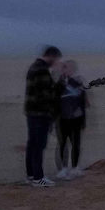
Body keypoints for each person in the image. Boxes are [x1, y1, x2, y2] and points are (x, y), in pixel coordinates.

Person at [25, 46, 63, 188]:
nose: (55, 62)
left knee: (32, 144)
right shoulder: (42, 70)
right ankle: (38, 177)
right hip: (40, 114)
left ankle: (31, 175)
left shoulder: (34, 67)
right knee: (38, 146)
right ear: (51, 56)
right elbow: (49, 95)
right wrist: (57, 77)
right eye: (56, 59)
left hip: (31, 112)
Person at [56, 60, 89, 180]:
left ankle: (75, 168)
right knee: (63, 144)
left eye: (70, 68)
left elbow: (84, 101)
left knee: (76, 144)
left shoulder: (78, 82)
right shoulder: (59, 84)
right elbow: (54, 101)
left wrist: (83, 120)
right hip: (63, 119)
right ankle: (63, 169)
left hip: (77, 118)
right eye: (65, 68)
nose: (67, 70)